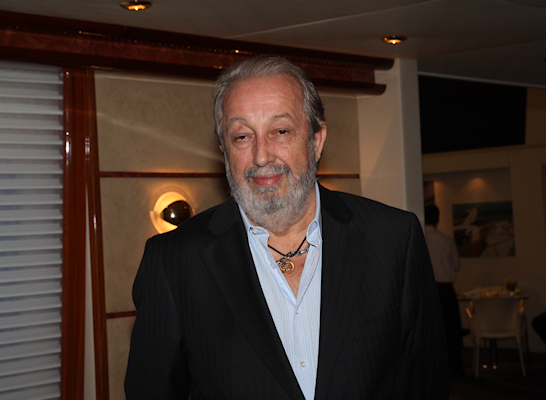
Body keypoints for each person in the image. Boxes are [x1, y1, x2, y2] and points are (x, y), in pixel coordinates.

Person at [125, 55, 449, 399]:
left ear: (316, 140)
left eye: (280, 131)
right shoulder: (174, 262)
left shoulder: (393, 239)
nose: (262, 156)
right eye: (242, 137)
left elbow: (426, 384)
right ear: (224, 150)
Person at [424, 204, 464, 377]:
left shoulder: (419, 238)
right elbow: (456, 265)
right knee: (452, 329)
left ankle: (432, 368)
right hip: (445, 290)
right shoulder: (446, 240)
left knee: (429, 330)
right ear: (437, 219)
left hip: (427, 290)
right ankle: (455, 367)